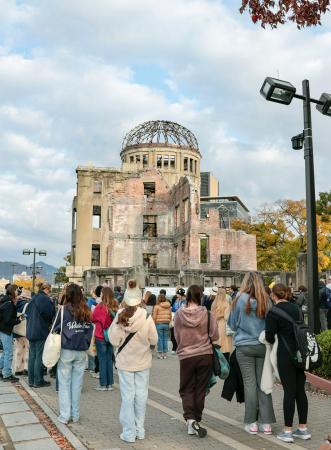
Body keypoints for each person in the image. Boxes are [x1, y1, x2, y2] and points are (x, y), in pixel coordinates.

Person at [109, 280, 158, 443]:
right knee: (141, 395)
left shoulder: (120, 315)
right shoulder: (146, 316)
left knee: (128, 396)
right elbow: (154, 339)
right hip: (143, 361)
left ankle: (129, 432)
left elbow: (114, 340)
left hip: (125, 362)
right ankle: (140, 429)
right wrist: (146, 346)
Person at [228, 271, 275, 435]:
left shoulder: (239, 299)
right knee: (264, 384)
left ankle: (251, 422)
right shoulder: (266, 300)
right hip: (262, 346)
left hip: (244, 346)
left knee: (249, 384)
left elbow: (232, 325)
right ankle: (266, 423)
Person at [266, 283, 311, 443]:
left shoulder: (273, 312)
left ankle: (287, 431)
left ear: (273, 295)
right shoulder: (296, 309)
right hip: (301, 353)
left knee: (289, 392)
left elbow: (269, 337)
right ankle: (303, 429)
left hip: (285, 355)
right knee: (300, 391)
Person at [174, 284, 218, 438]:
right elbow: (215, 335)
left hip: (186, 356)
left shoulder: (179, 313)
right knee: (200, 389)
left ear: (187, 295)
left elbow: (176, 334)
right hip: (205, 354)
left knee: (186, 389)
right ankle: (196, 419)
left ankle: (190, 419)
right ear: (201, 296)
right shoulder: (207, 314)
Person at [54, 283, 93, 424]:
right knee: (77, 385)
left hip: (66, 350)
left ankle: (65, 415)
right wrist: (86, 343)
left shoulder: (63, 310)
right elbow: (90, 330)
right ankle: (75, 415)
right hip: (81, 351)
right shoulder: (86, 310)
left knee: (64, 384)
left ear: (68, 295)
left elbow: (54, 329)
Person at [26, 282, 55, 388]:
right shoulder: (45, 299)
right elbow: (51, 313)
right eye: (49, 290)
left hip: (30, 330)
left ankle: (31, 380)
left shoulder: (33, 298)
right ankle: (38, 381)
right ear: (47, 289)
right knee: (39, 356)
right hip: (40, 330)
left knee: (32, 356)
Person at [92, 286, 118, 391]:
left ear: (103, 295)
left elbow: (92, 318)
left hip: (101, 335)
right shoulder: (115, 306)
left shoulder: (100, 307)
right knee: (109, 360)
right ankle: (110, 384)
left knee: (102, 360)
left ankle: (103, 384)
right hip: (111, 336)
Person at [0, 284, 20, 382]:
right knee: (9, 353)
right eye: (17, 290)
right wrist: (18, 320)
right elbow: (8, 320)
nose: (18, 292)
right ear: (13, 291)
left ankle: (1, 370)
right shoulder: (9, 304)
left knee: (5, 352)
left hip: (2, 330)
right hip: (6, 331)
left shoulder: (4, 300)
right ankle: (7, 374)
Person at [211, 287, 233, 361]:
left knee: (217, 344)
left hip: (215, 325)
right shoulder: (226, 304)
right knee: (225, 346)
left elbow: (212, 316)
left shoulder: (214, 303)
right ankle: (227, 364)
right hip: (224, 325)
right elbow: (227, 317)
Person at [12, 288, 31, 375]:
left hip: (16, 331)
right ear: (27, 298)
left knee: (18, 350)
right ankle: (26, 368)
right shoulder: (28, 305)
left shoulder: (15, 304)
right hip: (25, 330)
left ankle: (18, 369)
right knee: (27, 349)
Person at [152, 293, 172, 359]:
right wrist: (169, 321)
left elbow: (154, 316)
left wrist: (153, 324)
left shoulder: (156, 306)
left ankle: (160, 354)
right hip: (166, 324)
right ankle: (165, 354)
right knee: (165, 339)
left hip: (159, 324)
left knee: (160, 339)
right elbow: (170, 315)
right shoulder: (168, 306)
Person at [171, 288, 186, 354]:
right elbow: (174, 309)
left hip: (182, 320)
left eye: (177, 294)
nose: (176, 295)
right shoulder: (177, 301)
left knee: (181, 334)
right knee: (173, 334)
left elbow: (183, 310)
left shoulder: (185, 302)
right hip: (175, 319)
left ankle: (180, 348)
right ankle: (175, 347)